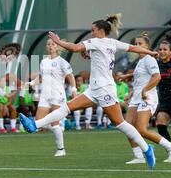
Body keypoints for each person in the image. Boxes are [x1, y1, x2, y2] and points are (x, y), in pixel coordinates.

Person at [19, 14, 158, 169]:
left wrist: (58, 42)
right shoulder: (111, 42)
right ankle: (34, 124)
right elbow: (132, 48)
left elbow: (75, 47)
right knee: (66, 108)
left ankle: (147, 149)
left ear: (100, 31)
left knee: (120, 123)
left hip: (105, 89)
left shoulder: (97, 41)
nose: (91, 32)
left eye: (93, 30)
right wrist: (150, 52)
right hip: (94, 88)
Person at [120, 34, 171, 164]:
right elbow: (140, 80)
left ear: (147, 46)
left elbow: (157, 77)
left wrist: (145, 90)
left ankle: (170, 146)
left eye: (140, 44)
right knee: (127, 127)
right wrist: (130, 92)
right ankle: (139, 157)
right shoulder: (140, 61)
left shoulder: (149, 59)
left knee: (141, 130)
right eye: (136, 43)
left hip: (147, 98)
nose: (137, 46)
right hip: (136, 98)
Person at [25, 38, 76, 156]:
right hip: (45, 94)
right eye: (48, 44)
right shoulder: (44, 61)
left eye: (53, 44)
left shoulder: (62, 61)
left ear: (57, 46)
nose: (50, 46)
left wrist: (73, 90)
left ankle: (61, 149)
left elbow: (70, 76)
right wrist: (32, 83)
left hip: (57, 94)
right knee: (38, 122)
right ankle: (59, 128)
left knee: (54, 122)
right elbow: (41, 77)